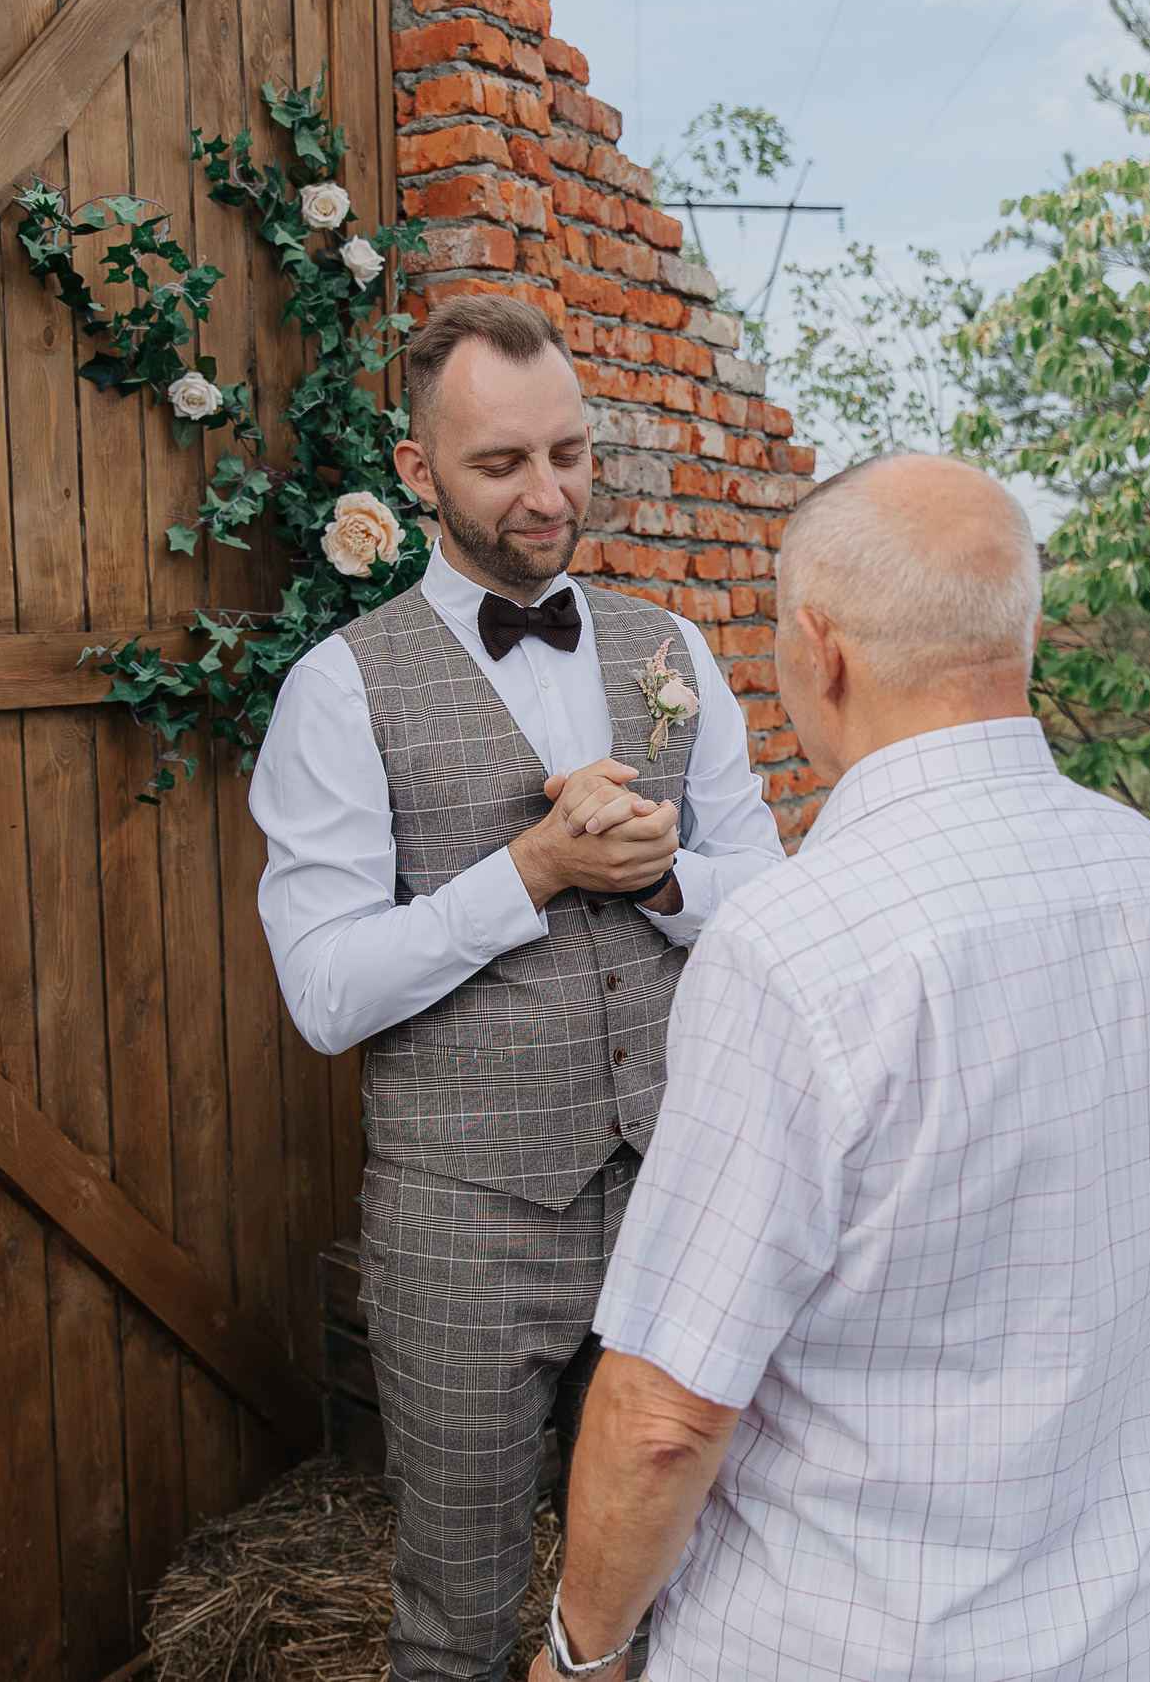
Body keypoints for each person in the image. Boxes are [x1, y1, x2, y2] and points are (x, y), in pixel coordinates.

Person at [524, 455, 1150, 1682]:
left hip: (846, 1644)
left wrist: (581, 1653)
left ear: (818, 650)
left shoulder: (793, 950)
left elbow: (666, 1414)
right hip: (1134, 1636)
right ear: (1018, 636)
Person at [248, 294, 785, 1681]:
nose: (547, 495)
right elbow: (325, 990)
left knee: (680, 1583)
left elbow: (773, 901)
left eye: (569, 453)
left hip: (677, 1195)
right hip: (463, 1225)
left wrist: (666, 882)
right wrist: (532, 870)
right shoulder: (338, 689)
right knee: (458, 1612)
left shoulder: (671, 649)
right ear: (418, 471)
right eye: (500, 464)